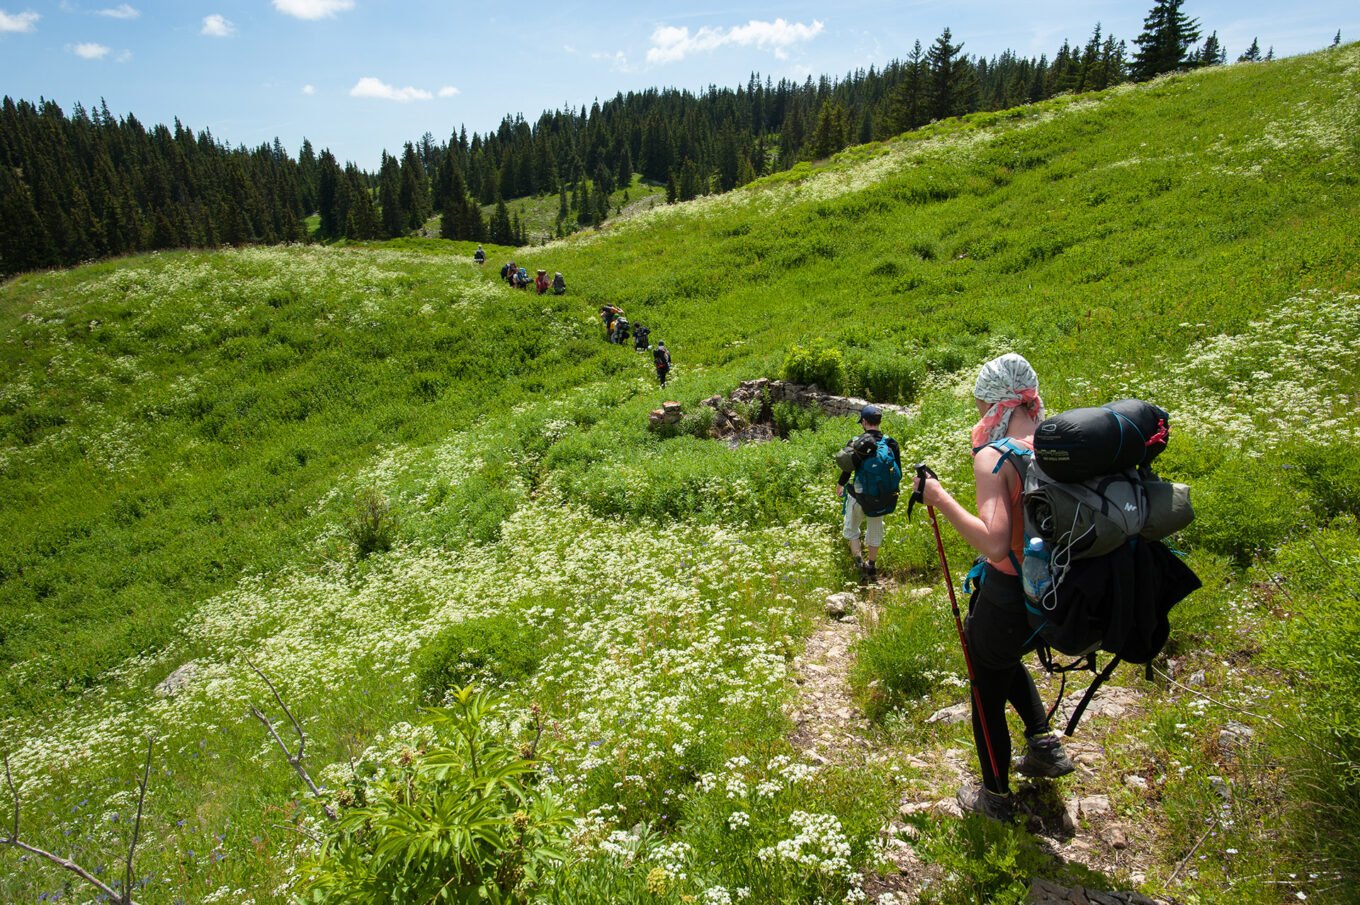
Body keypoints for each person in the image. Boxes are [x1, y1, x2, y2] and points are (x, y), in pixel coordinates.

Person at [913, 353, 1075, 821]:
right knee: (1001, 657)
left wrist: (939, 498)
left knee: (985, 680)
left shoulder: (996, 455)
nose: (981, 416)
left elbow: (996, 544)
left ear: (996, 405)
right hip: (1061, 591)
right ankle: (1044, 745)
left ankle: (995, 797)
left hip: (1010, 593)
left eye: (983, 405)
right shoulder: (1056, 441)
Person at [836, 405, 902, 582]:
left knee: (851, 528)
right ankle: (871, 565)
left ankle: (859, 563)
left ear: (864, 422)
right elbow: (898, 472)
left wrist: (840, 484)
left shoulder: (857, 441)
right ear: (879, 421)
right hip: (881, 497)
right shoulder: (890, 443)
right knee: (875, 529)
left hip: (859, 495)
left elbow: (847, 469)